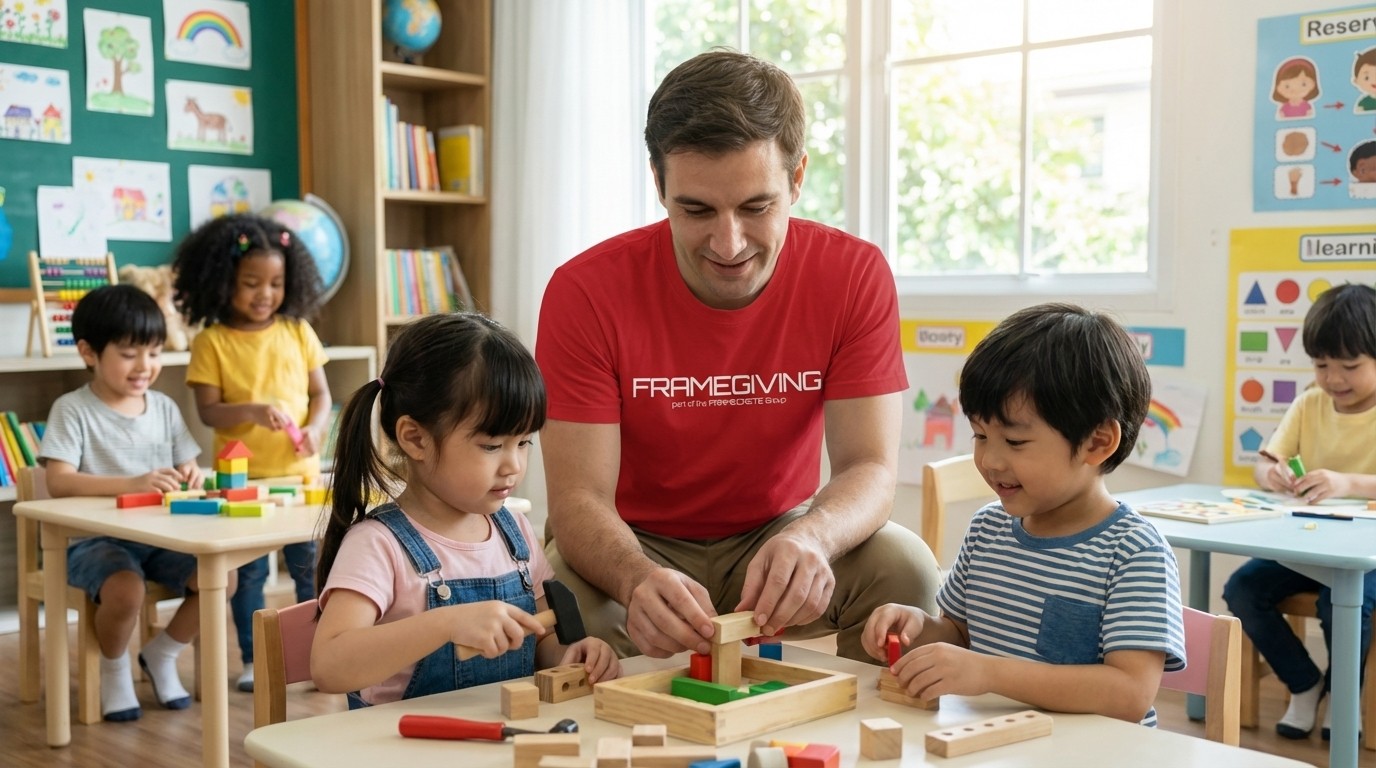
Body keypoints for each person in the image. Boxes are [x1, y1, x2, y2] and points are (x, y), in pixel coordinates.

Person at [535, 49, 940, 663]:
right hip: (634, 541)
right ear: (658, 182)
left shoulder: (854, 274)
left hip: (782, 528)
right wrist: (635, 578)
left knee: (906, 570)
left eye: (757, 207)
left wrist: (814, 536)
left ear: (797, 178)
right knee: (563, 613)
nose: (729, 244)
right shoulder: (584, 290)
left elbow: (871, 467)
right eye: (696, 210)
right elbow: (577, 501)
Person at [862, 303, 1186, 725]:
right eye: (980, 435)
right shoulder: (988, 529)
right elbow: (960, 635)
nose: (991, 460)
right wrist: (917, 629)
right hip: (989, 742)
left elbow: (1129, 694)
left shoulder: (1134, 553)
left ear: (1097, 443)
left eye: (1014, 442)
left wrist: (988, 673)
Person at [310, 313, 620, 706]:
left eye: (524, 443)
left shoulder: (516, 535)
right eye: (492, 446)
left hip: (497, 740)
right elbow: (329, 664)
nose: (513, 466)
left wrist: (571, 655)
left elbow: (542, 642)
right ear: (415, 439)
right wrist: (447, 624)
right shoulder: (377, 545)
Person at [38, 284, 226, 721]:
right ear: (89, 352)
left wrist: (194, 475)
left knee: (220, 578)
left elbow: (188, 466)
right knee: (126, 590)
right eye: (128, 353)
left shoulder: (162, 407)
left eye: (154, 352)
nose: (145, 366)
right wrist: (133, 483)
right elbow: (58, 480)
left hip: (160, 536)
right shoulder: (72, 409)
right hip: (90, 540)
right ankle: (114, 667)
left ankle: (162, 653)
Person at [173, 213, 332, 692]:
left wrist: (315, 428)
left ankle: (316, 656)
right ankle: (253, 660)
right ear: (223, 282)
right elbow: (209, 413)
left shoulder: (298, 331)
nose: (265, 293)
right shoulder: (212, 342)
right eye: (251, 283)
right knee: (250, 578)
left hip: (300, 477)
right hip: (243, 483)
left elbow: (321, 395)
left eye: (276, 283)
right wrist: (252, 410)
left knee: (312, 574)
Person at [1225, 283, 1376, 741]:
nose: (1333, 378)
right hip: (1306, 546)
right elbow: (1264, 463)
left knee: (1345, 601)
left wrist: (1347, 483)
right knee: (1242, 590)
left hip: (1365, 557)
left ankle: (1345, 695)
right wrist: (1270, 475)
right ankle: (1306, 684)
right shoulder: (1309, 403)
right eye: (1321, 364)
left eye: (1350, 366)